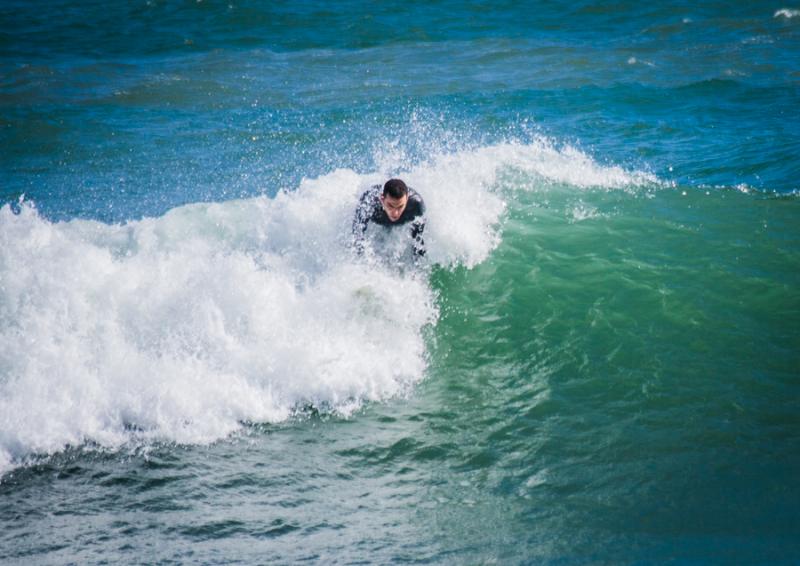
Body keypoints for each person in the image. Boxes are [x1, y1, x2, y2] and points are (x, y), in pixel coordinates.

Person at [352, 178, 426, 258]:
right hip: (377, 224)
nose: (395, 213)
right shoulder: (369, 204)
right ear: (382, 199)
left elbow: (418, 241)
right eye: (390, 206)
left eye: (400, 206)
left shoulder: (416, 205)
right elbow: (357, 235)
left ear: (407, 199)